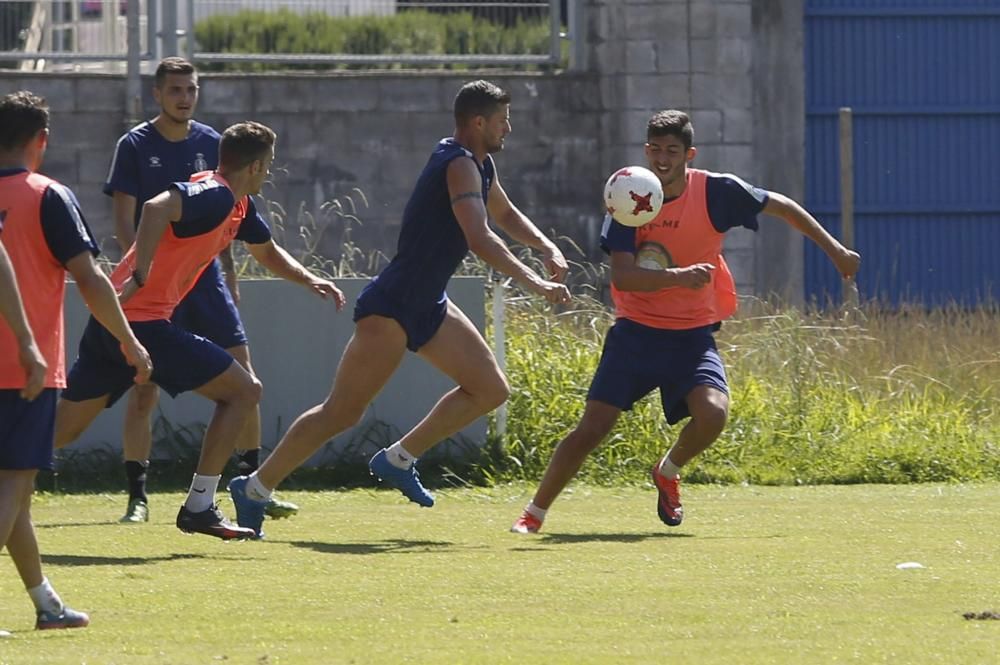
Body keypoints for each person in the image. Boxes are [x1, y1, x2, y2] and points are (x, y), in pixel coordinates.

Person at [227, 79, 572, 537]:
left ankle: (398, 458)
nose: (508, 128)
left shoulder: (479, 164)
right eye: (503, 120)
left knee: (489, 389)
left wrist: (547, 246)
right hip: (393, 304)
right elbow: (479, 235)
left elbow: (503, 214)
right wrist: (534, 282)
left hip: (428, 302)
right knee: (341, 412)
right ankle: (254, 488)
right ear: (478, 121)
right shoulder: (457, 164)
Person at [511, 110, 862, 534]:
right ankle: (534, 513)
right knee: (592, 428)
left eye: (672, 151)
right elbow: (622, 277)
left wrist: (837, 251)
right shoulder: (627, 195)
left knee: (713, 415)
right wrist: (677, 276)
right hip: (636, 333)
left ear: (688, 155)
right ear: (646, 151)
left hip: (692, 335)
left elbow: (783, 207)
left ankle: (668, 470)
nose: (662, 158)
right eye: (655, 149)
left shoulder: (717, 192)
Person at [56, 121, 345, 541]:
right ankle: (199, 506)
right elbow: (156, 207)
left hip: (115, 320)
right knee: (244, 391)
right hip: (143, 323)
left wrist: (308, 279)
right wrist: (141, 271)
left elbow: (265, 250)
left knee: (61, 432)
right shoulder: (215, 193)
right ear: (257, 166)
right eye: (269, 166)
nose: (269, 173)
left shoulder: (238, 204)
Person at [103, 56, 298, 524]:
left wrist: (228, 276)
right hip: (154, 283)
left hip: (204, 281)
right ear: (157, 95)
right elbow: (130, 219)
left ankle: (252, 486)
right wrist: (145, 273)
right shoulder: (134, 144)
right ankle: (139, 496)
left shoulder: (213, 143)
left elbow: (226, 213)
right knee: (144, 388)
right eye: (175, 90)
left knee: (244, 378)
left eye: (191, 89)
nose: (184, 98)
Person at [0, 90, 152, 630]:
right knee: (14, 485)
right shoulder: (47, 195)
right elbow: (90, 279)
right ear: (41, 140)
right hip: (24, 368)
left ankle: (45, 602)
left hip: (18, 365)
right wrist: (131, 342)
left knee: (17, 493)